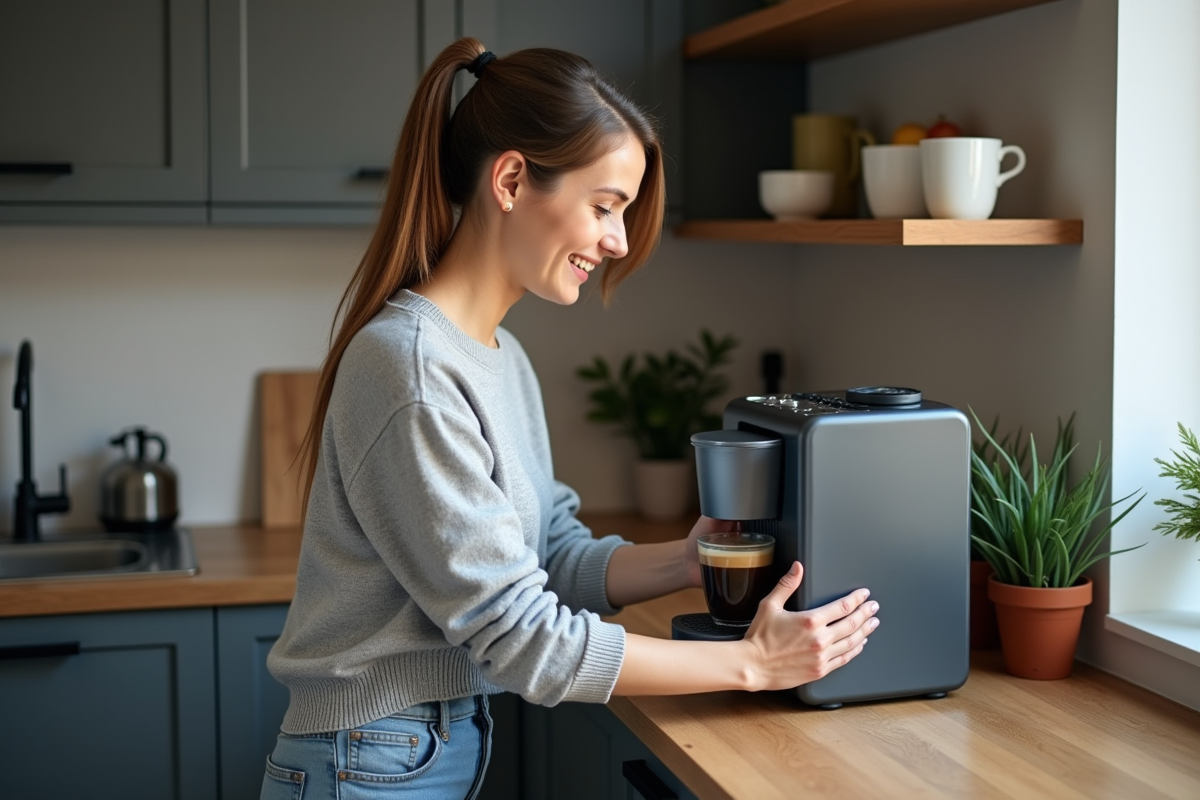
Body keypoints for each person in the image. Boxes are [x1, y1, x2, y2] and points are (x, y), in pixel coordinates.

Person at [260, 37, 880, 800]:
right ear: (513, 180)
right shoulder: (411, 368)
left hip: (415, 747)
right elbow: (524, 640)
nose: (616, 241)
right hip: (367, 760)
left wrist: (684, 562)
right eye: (604, 206)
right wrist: (752, 664)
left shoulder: (499, 356)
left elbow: (548, 554)